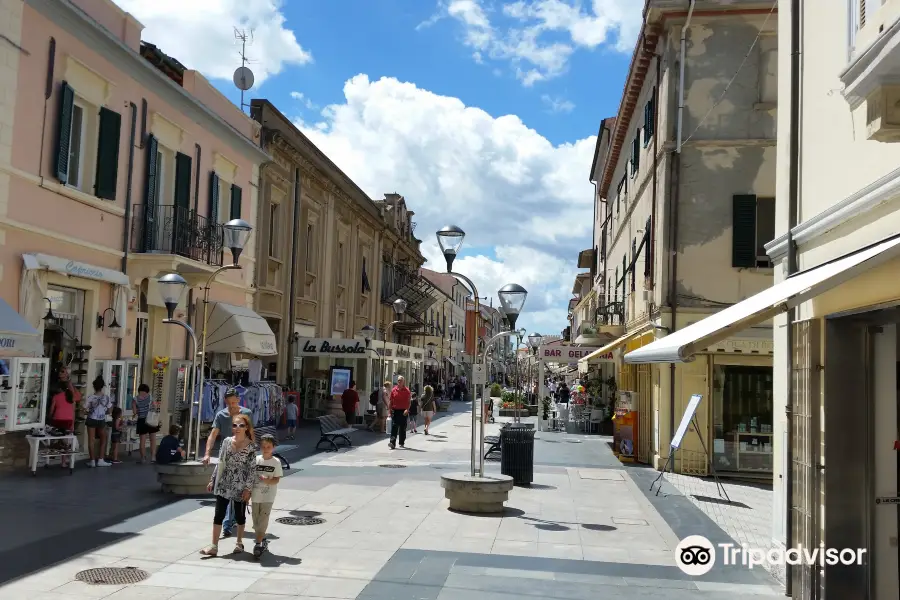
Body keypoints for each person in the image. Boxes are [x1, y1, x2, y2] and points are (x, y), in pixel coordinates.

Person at [201, 413, 256, 556]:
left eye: (241, 425)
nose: (237, 428)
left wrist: (248, 488)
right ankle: (214, 546)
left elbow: (251, 469)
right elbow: (220, 462)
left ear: (246, 428)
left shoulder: (251, 446)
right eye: (234, 425)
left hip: (240, 484)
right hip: (224, 482)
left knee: (239, 516)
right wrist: (213, 480)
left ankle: (239, 543)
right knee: (218, 514)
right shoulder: (226, 441)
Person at [203, 388, 253, 539]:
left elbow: (251, 433)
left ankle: (231, 524)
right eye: (228, 403)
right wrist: (207, 453)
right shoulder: (221, 415)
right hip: (226, 454)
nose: (231, 406)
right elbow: (213, 434)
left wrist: (253, 452)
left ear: (238, 400)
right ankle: (226, 523)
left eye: (233, 402)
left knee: (238, 495)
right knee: (224, 494)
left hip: (243, 455)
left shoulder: (246, 413)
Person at [251, 433, 283, 558]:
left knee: (263, 518)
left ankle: (258, 543)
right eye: (263, 446)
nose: (266, 449)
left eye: (268, 446)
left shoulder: (276, 462)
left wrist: (267, 480)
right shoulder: (256, 459)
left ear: (273, 447)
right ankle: (262, 539)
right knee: (256, 519)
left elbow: (276, 479)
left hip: (268, 496)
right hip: (255, 495)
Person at [48, 370, 81, 469]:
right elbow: (78, 397)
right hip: (68, 422)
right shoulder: (71, 397)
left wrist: (49, 418)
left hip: (57, 421)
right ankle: (63, 462)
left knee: (55, 436)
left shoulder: (56, 396)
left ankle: (52, 452)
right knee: (65, 441)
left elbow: (51, 410)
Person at [84, 377, 112, 468]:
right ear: (102, 386)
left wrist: (88, 412)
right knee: (103, 439)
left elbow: (84, 409)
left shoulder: (90, 397)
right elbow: (110, 409)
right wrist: (105, 412)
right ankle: (101, 459)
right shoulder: (106, 397)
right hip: (101, 420)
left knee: (91, 440)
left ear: (94, 386)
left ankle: (92, 460)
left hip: (91, 418)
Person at [132, 383, 160, 464]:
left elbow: (134, 412)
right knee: (153, 440)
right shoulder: (150, 397)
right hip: (151, 420)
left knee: (142, 440)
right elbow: (155, 407)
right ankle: (153, 457)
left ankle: (143, 458)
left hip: (141, 420)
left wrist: (139, 410)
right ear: (147, 391)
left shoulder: (135, 399)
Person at [388, 375, 411, 450]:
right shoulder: (394, 390)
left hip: (403, 411)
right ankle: (392, 442)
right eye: (398, 380)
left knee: (402, 427)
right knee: (394, 426)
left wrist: (407, 409)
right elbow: (391, 401)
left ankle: (401, 442)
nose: (399, 381)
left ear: (403, 381)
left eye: (400, 380)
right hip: (395, 410)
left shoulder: (407, 391)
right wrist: (389, 411)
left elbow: (409, 402)